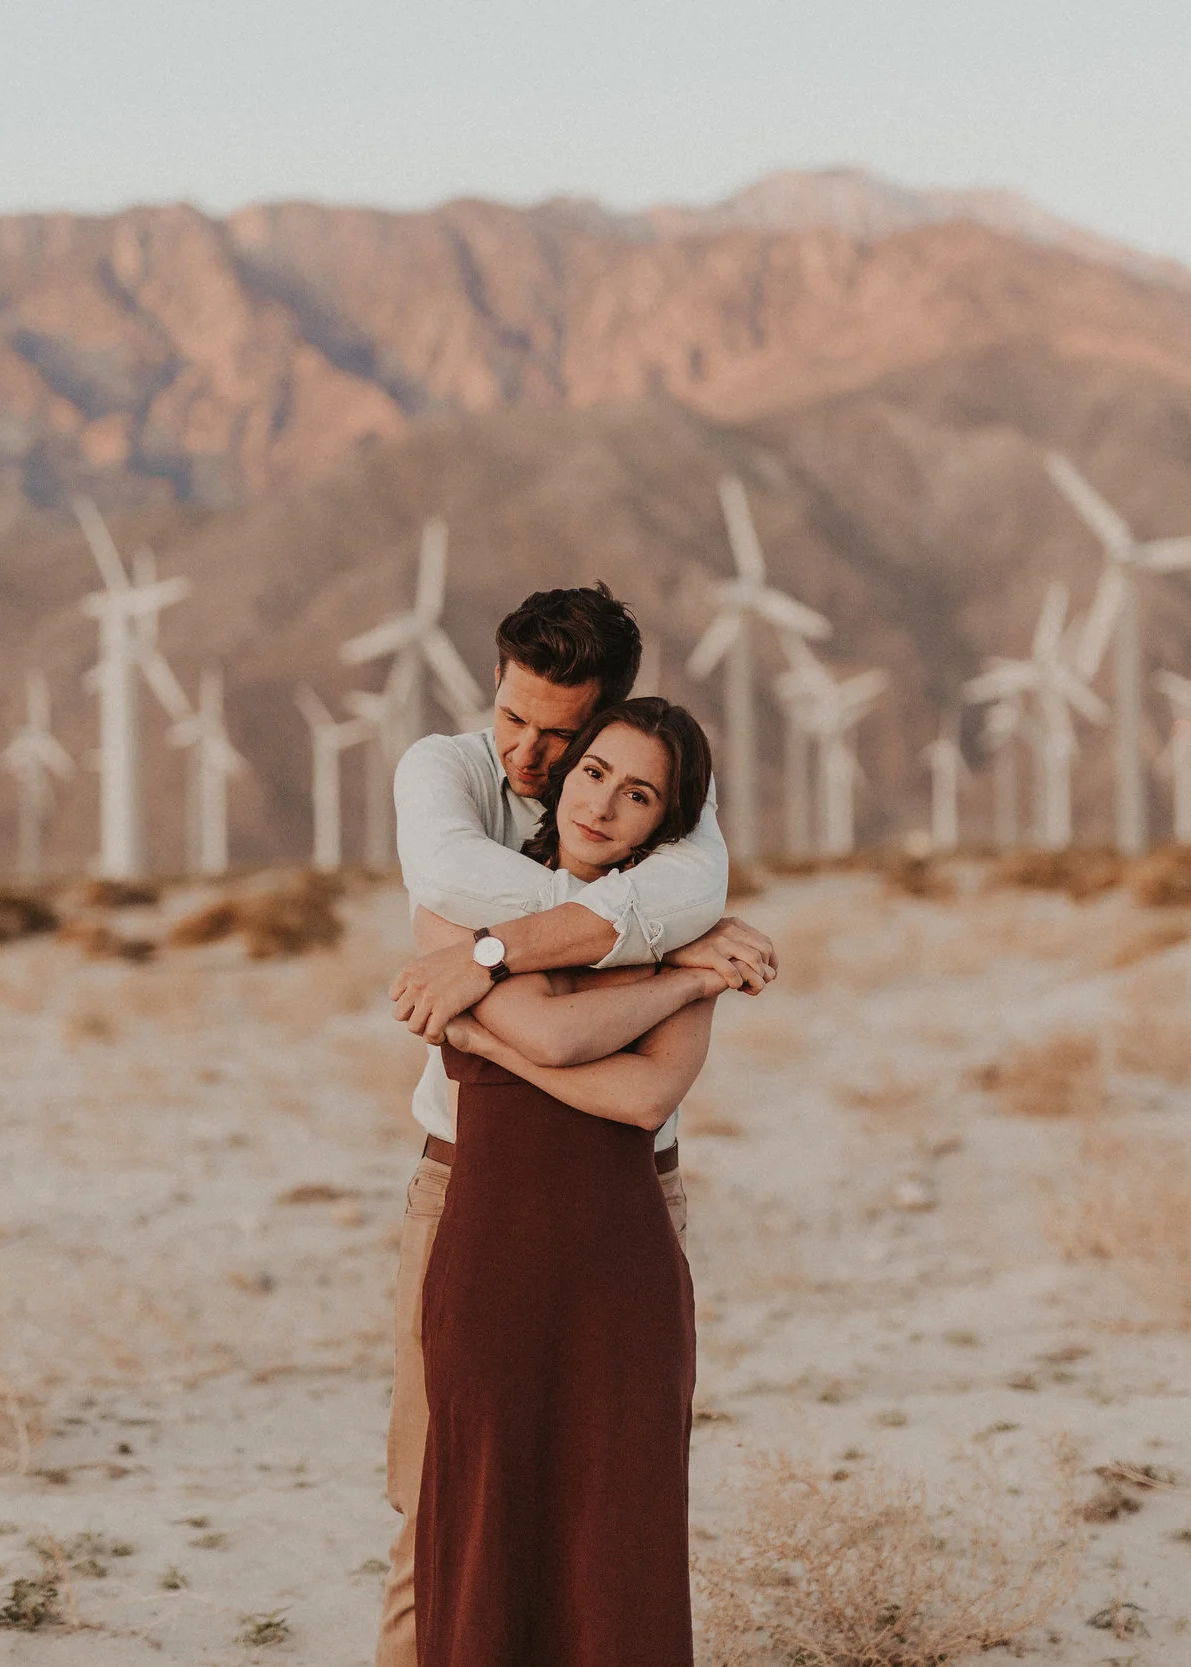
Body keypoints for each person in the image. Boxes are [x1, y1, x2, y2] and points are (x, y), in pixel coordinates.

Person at [374, 583, 776, 1666]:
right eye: (512, 716)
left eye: (564, 737)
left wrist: (487, 981)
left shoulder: (676, 819)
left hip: (628, 1205)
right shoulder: (445, 774)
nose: (529, 753)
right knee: (435, 1511)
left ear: (607, 718)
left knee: (612, 1522)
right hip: (465, 1190)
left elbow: (641, 1081)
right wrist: (664, 948)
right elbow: (452, 886)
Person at [414, 697, 724, 1663]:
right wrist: (687, 979)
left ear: (666, 823)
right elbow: (556, 1035)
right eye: (594, 773)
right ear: (564, 773)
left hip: (622, 1276)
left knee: (619, 1542)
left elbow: (645, 1095)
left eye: (640, 795)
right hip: (489, 1263)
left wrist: (479, 1029)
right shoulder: (460, 910)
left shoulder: (680, 932)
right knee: (481, 1530)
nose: (603, 805)